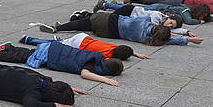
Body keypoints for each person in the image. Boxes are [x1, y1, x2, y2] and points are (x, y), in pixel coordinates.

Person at [0, 40, 123, 86]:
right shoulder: (91, 65)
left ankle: (9, 48)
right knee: (22, 57)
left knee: (28, 52)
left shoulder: (97, 56)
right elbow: (85, 74)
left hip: (56, 47)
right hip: (52, 56)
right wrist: (105, 80)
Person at [35, 11, 200, 46]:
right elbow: (168, 40)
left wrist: (187, 36)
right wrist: (187, 38)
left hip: (111, 20)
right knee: (87, 25)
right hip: (110, 33)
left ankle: (59, 27)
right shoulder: (147, 39)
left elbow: (134, 16)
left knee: (86, 21)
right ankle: (77, 17)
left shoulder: (146, 22)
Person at [10, 33, 150, 60]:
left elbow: (123, 48)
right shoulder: (108, 55)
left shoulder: (113, 46)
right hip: (78, 44)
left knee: (57, 43)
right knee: (52, 45)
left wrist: (135, 53)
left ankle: (60, 40)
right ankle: (28, 39)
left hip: (83, 37)